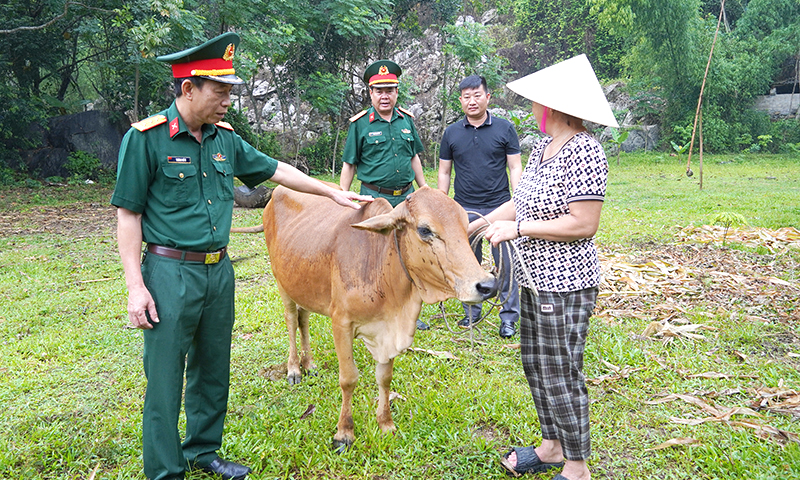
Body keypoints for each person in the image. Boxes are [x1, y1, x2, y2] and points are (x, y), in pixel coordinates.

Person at [111, 33, 371, 480]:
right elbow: (128, 216)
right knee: (165, 379)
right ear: (188, 88)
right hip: (169, 272)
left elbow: (276, 170)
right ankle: (165, 470)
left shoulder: (224, 140)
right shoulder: (146, 140)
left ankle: (203, 452)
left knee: (213, 369)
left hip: (218, 272)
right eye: (220, 91)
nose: (228, 100)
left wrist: (334, 193)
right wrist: (136, 286)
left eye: (231, 91)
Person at [469, 54, 618, 480]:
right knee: (536, 363)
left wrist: (519, 230)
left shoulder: (585, 150)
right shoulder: (542, 149)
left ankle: (577, 466)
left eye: (537, 102)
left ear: (554, 106)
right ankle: (552, 446)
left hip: (566, 283)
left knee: (560, 369)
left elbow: (583, 223)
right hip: (535, 281)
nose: (532, 109)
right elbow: (522, 201)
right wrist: (483, 221)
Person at [340, 59, 430, 330]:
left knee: (410, 251)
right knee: (377, 254)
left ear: (396, 92)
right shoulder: (360, 124)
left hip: (406, 197)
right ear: (370, 93)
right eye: (379, 90)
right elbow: (349, 164)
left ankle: (410, 307)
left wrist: (424, 188)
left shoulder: (406, 121)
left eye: (389, 89)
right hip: (373, 198)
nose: (385, 95)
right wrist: (343, 196)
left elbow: (413, 156)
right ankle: (378, 306)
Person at [437, 75, 522, 338]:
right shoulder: (451, 133)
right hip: (465, 210)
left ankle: (508, 318)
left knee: (506, 264)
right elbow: (444, 172)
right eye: (466, 96)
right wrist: (442, 205)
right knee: (468, 264)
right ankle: (471, 313)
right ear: (460, 100)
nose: (471, 101)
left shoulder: (505, 129)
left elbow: (515, 166)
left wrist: (517, 202)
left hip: (500, 207)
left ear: (487, 97)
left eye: (477, 95)